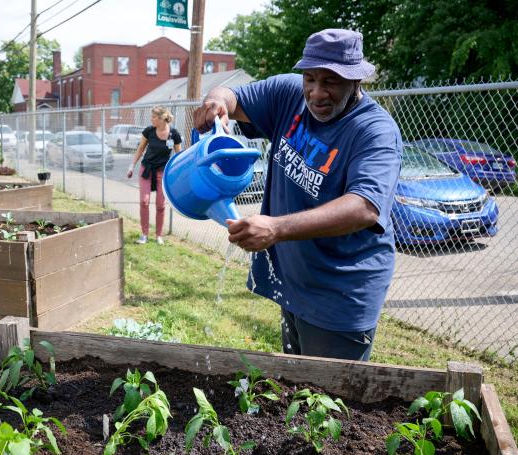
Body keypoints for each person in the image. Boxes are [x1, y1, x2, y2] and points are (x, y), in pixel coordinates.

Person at [193, 29, 402, 361]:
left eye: (330, 82)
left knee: (326, 403)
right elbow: (232, 96)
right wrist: (217, 101)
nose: (316, 93)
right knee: (296, 393)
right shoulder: (288, 94)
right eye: (310, 78)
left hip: (340, 295)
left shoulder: (374, 131)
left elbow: (364, 207)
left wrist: (276, 228)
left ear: (356, 82)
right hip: (295, 282)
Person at [127, 106, 182, 245]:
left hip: (163, 172)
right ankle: (144, 234)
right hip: (147, 169)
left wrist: (177, 174)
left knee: (160, 205)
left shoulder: (173, 134)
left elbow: (178, 156)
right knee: (144, 202)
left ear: (161, 118)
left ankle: (158, 235)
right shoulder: (149, 131)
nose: (151, 119)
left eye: (153, 117)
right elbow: (140, 149)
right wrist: (132, 166)